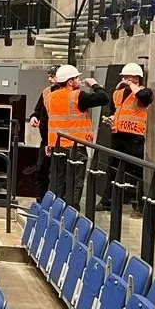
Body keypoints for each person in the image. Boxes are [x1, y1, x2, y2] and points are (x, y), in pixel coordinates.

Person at [45, 64, 110, 211]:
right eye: (76, 78)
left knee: (58, 181)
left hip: (57, 146)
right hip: (76, 147)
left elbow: (52, 121)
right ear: (70, 82)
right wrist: (94, 84)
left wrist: (49, 143)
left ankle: (56, 211)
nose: (79, 81)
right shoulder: (77, 96)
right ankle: (71, 212)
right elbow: (104, 98)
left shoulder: (50, 97)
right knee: (75, 182)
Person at [97, 63, 153, 216]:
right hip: (118, 135)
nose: (125, 80)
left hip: (134, 137)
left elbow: (144, 97)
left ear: (137, 78)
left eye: (129, 77)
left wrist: (133, 85)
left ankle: (139, 205)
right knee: (112, 169)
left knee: (136, 172)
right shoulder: (117, 93)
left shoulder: (143, 92)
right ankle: (107, 201)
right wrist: (112, 119)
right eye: (124, 77)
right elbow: (116, 111)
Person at [29, 65, 59, 202]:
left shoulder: (69, 94)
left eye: (52, 76)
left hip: (60, 142)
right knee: (41, 169)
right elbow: (38, 110)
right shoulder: (46, 92)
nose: (49, 79)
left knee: (56, 174)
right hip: (46, 140)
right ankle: (41, 199)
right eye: (49, 76)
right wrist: (34, 117)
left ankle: (56, 201)